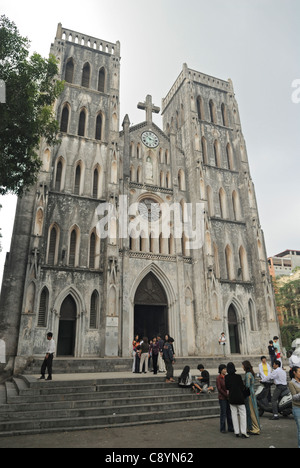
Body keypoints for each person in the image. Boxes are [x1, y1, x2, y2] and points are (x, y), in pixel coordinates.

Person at [225, 362, 249, 438]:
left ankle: (236, 431)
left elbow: (227, 387)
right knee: (242, 414)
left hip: (232, 397)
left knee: (234, 414)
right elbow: (242, 387)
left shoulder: (226, 377)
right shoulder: (238, 377)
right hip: (240, 397)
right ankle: (243, 431)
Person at [242, 360, 261, 435]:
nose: (242, 367)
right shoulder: (251, 373)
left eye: (243, 365)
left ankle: (255, 428)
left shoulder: (248, 374)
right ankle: (252, 427)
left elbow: (247, 385)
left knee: (251, 411)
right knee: (252, 410)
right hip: (252, 393)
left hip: (249, 394)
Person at [216, 364, 234, 434]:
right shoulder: (218, 378)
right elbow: (219, 388)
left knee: (229, 413)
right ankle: (222, 428)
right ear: (221, 370)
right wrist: (226, 395)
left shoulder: (227, 377)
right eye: (224, 369)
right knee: (223, 413)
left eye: (225, 369)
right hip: (222, 397)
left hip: (228, 397)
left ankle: (230, 427)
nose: (225, 370)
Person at [288, 366, 300, 449]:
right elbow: (294, 397)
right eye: (299, 372)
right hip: (297, 408)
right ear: (294, 373)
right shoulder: (291, 383)